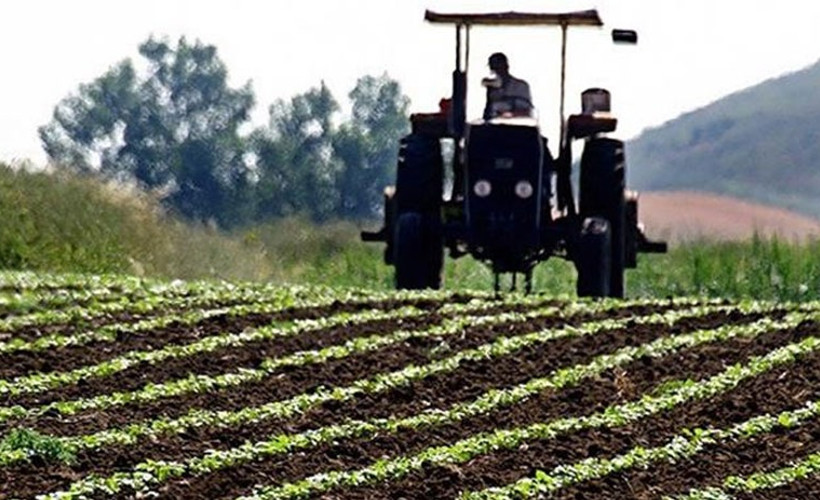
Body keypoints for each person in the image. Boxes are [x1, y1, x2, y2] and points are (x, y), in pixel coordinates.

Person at [482, 52, 533, 119]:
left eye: (499, 66)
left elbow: (527, 110)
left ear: (506, 66)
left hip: (517, 123)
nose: (497, 71)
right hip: (496, 123)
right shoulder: (493, 88)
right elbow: (488, 114)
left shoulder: (520, 86)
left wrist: (509, 114)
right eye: (494, 68)